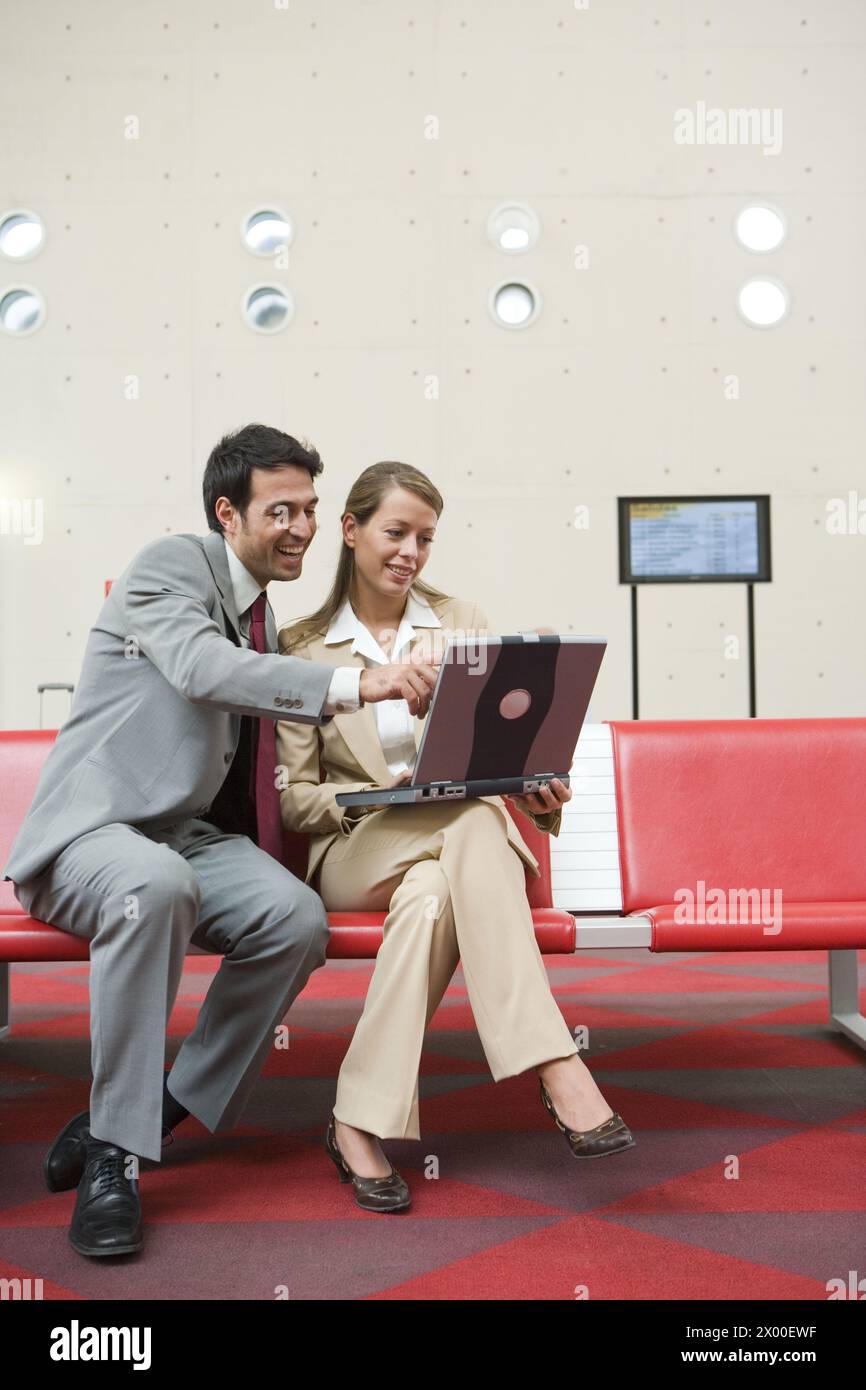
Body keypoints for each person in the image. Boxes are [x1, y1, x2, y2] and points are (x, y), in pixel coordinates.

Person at [2, 425, 439, 1257]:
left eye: (310, 509)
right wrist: (361, 682)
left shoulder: (262, 616)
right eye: (282, 511)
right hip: (93, 835)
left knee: (295, 920)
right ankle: (115, 1157)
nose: (302, 528)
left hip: (183, 837)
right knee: (154, 885)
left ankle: (155, 1108)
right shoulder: (169, 568)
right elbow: (205, 671)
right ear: (227, 513)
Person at [275, 461, 635, 1213]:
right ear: (351, 530)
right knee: (470, 821)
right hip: (356, 850)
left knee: (434, 894)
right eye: (396, 532)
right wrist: (382, 796)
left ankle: (355, 1120)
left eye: (426, 538)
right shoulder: (301, 646)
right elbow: (296, 800)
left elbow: (499, 751)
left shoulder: (461, 620)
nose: (411, 552)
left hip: (449, 852)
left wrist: (534, 789)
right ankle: (553, 1060)